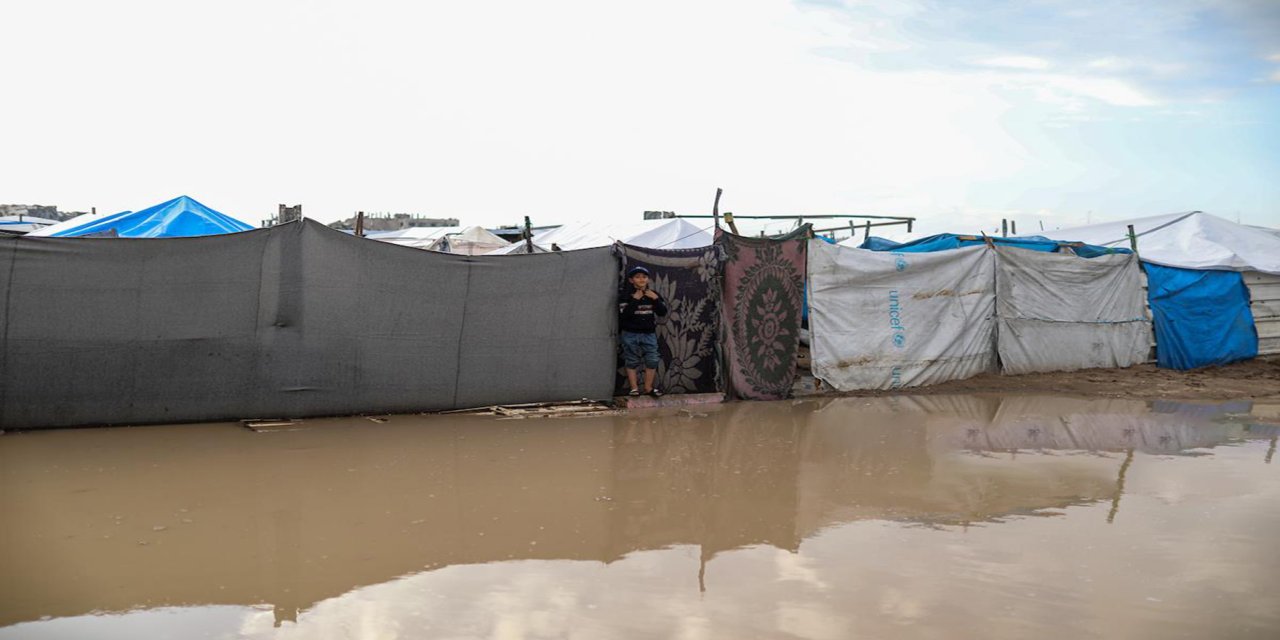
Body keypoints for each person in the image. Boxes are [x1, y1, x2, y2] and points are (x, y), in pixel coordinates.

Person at [618, 266, 667, 397]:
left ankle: (648, 387)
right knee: (631, 360)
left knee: (652, 359)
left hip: (649, 333)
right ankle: (634, 388)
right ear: (631, 280)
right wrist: (635, 299)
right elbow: (623, 316)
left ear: (648, 279)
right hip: (630, 333)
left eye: (644, 277)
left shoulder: (653, 294)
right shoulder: (625, 296)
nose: (641, 279)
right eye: (638, 277)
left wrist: (655, 299)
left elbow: (663, 313)